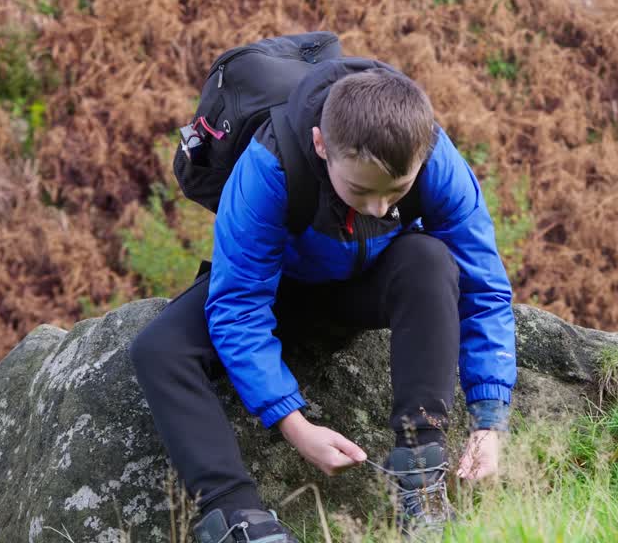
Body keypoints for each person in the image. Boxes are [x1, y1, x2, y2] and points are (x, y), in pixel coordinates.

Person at [129, 56, 517, 542]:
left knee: (430, 260)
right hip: (279, 294)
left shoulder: (435, 158)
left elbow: (484, 286)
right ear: (320, 144)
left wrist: (488, 421)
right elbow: (238, 305)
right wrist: (295, 425)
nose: (379, 207)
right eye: (361, 189)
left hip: (369, 285)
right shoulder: (269, 165)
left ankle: (422, 484)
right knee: (158, 350)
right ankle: (236, 518)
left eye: (397, 192)